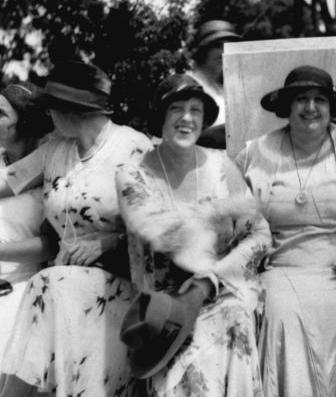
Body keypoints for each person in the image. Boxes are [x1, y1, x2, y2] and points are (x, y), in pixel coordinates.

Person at [0, 61, 153, 397]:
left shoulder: (133, 148)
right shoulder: (55, 150)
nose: (47, 118)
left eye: (53, 108)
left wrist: (108, 244)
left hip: (118, 278)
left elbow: (159, 228)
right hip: (63, 284)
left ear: (73, 111)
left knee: (48, 284)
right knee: (52, 285)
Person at [235, 65, 336, 397]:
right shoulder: (256, 152)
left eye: (319, 99)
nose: (311, 108)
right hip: (281, 267)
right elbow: (238, 219)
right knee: (280, 314)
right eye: (302, 99)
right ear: (287, 107)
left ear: (331, 107)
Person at [115, 73, 270, 396]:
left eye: (196, 111)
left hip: (222, 291)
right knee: (188, 355)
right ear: (161, 115)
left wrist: (212, 278)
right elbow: (161, 232)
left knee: (235, 317)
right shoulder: (133, 174)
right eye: (177, 109)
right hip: (165, 307)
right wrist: (216, 210)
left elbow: (258, 235)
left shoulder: (222, 166)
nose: (187, 118)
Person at [0, 82, 53, 397]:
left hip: (16, 301)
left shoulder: (49, 176)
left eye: (1, 113)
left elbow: (51, 243)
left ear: (26, 124)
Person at [187, 20, 240, 149]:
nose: (224, 51)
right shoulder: (187, 86)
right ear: (203, 50)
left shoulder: (231, 90)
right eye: (218, 45)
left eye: (229, 46)